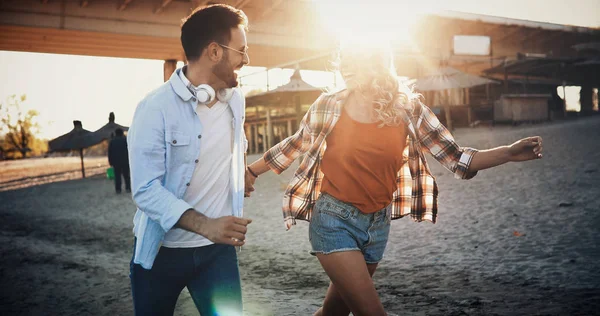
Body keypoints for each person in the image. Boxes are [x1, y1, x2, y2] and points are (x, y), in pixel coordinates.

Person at [244, 42, 543, 316]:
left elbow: (457, 158)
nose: (348, 69)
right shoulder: (329, 105)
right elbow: (295, 145)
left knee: (333, 313)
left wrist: (508, 152)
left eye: (357, 61)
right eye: (346, 62)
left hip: (377, 225)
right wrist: (250, 171)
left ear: (378, 65)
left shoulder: (408, 109)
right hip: (333, 220)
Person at [127, 4, 252, 315]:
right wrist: (205, 225)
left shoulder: (236, 100)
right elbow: (145, 190)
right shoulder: (154, 108)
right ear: (214, 51)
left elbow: (236, 147)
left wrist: (240, 174)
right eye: (241, 50)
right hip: (160, 254)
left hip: (217, 254)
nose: (246, 60)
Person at [107, 128, 131, 194]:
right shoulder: (125, 140)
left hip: (116, 162)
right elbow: (129, 151)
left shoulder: (112, 141)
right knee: (126, 175)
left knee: (117, 176)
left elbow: (110, 152)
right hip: (125, 161)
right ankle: (128, 188)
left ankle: (118, 189)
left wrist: (110, 161)